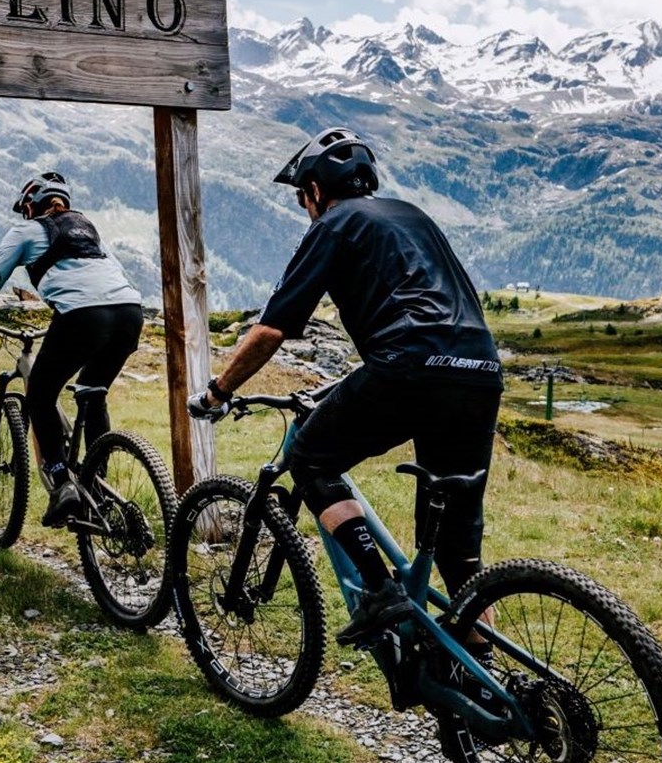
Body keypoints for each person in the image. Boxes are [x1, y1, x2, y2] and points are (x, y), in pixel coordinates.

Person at [188, 129, 502, 649]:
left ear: (314, 189)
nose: (303, 207)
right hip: (479, 369)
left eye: (301, 197)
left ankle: (379, 590)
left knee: (311, 459)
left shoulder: (333, 224)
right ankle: (483, 669)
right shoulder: (413, 216)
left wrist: (217, 392)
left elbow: (272, 329)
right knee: (456, 542)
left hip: (410, 365)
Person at [0, 171, 145, 526]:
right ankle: (97, 484)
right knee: (92, 392)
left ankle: (62, 482)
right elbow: (111, 276)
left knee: (39, 394)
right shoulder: (90, 230)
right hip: (129, 313)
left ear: (31, 206)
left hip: (81, 316)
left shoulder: (26, 231)